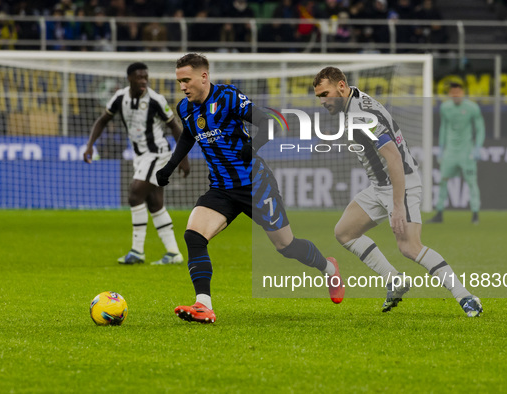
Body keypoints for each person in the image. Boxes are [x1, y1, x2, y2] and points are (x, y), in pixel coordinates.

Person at [156, 53, 344, 324]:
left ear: (204, 76)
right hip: (221, 188)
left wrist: (252, 146)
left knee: (286, 246)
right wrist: (170, 166)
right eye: (179, 82)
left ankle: (329, 269)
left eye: (186, 80)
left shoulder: (228, 96)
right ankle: (203, 304)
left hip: (256, 185)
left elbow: (270, 122)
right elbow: (188, 134)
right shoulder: (185, 108)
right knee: (194, 236)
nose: (183, 86)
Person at [312, 67, 483, 317]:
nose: (323, 101)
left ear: (341, 85)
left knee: (410, 247)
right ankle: (394, 279)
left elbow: (393, 158)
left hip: (400, 182)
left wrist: (398, 205)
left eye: (325, 93)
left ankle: (466, 297)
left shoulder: (361, 113)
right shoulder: (354, 101)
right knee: (344, 232)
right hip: (379, 186)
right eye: (319, 97)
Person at [83, 62, 189, 266]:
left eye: (145, 77)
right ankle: (173, 253)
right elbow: (102, 120)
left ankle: (137, 251)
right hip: (140, 156)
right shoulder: (120, 98)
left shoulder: (156, 100)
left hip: (157, 153)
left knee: (135, 194)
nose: (143, 81)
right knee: (155, 203)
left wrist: (183, 158)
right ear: (129, 78)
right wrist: (90, 145)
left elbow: (175, 127)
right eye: (139, 77)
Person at [428, 82, 485, 224]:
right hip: (451, 151)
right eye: (453, 93)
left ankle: (475, 214)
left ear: (463, 93)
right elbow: (444, 128)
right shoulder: (445, 108)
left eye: (458, 93)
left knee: (471, 182)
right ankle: (439, 213)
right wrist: (441, 148)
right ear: (450, 94)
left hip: (466, 151)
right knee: (443, 181)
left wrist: (477, 147)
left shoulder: (472, 108)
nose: (456, 96)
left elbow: (480, 128)